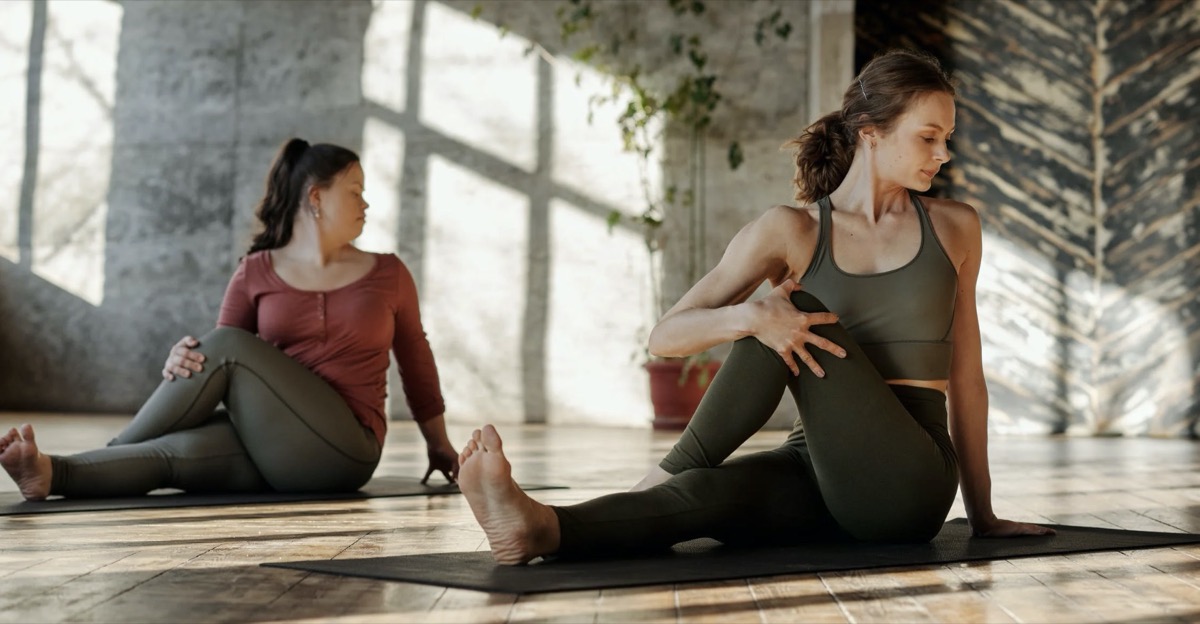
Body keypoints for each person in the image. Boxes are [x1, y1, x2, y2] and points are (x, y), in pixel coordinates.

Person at [455, 49, 1055, 565]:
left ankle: (651, 478)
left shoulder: (954, 228)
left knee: (795, 306)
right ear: (870, 134)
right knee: (702, 495)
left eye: (946, 139)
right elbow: (666, 336)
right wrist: (749, 317)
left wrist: (983, 515)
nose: (943, 154)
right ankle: (537, 527)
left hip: (908, 485)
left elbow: (967, 379)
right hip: (815, 468)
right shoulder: (790, 230)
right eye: (928, 137)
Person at [0, 138, 458, 500]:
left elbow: (416, 362)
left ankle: (111, 451)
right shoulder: (255, 270)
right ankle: (50, 473)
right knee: (173, 454)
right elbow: (215, 368)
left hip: (345, 451)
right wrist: (180, 361)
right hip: (274, 447)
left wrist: (439, 445)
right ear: (316, 198)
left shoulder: (389, 274)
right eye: (355, 191)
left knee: (224, 346)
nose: (366, 204)